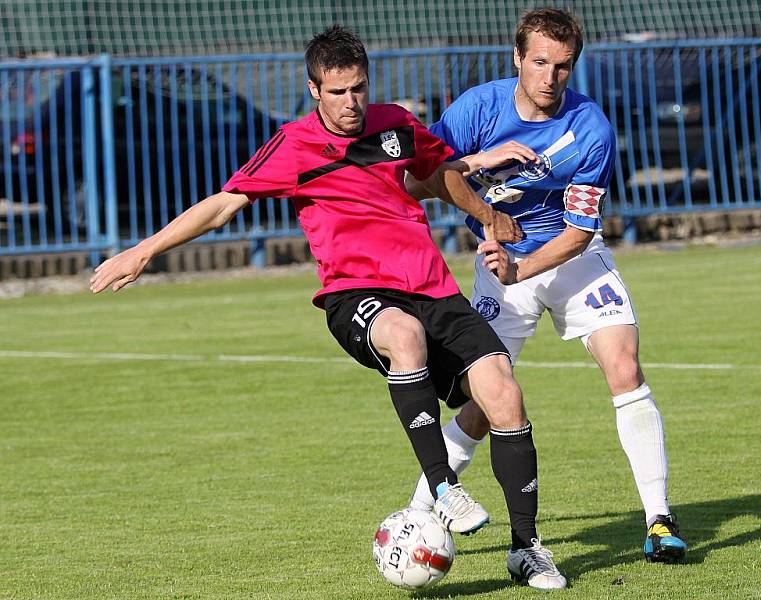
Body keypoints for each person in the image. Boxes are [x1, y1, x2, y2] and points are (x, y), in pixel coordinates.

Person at [90, 26, 567, 590]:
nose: (351, 104)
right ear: (314, 89)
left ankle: (526, 548)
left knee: (502, 393)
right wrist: (144, 250)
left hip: (431, 285)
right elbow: (222, 205)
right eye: (338, 93)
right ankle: (442, 485)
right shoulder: (292, 145)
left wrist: (488, 215)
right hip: (355, 293)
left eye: (359, 89)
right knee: (404, 335)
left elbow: (438, 173)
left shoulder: (394, 124)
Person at [406, 8, 687, 563]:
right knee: (486, 401)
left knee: (624, 365)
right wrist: (483, 193)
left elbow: (582, 232)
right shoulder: (478, 109)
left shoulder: (591, 129)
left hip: (567, 260)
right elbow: (418, 180)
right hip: (500, 263)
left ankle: (658, 519)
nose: (549, 78)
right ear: (517, 58)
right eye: (539, 62)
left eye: (562, 66)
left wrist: (523, 268)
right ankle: (421, 509)